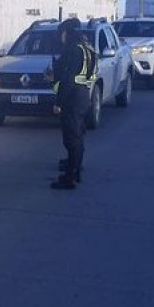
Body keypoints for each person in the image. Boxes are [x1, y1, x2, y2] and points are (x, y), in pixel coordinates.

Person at [50, 18, 96, 190]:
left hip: (72, 97)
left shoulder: (72, 50)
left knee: (71, 138)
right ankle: (75, 168)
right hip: (83, 94)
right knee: (78, 135)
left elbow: (68, 79)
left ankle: (69, 178)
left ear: (67, 33)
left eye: (61, 32)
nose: (60, 36)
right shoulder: (87, 48)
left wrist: (58, 103)